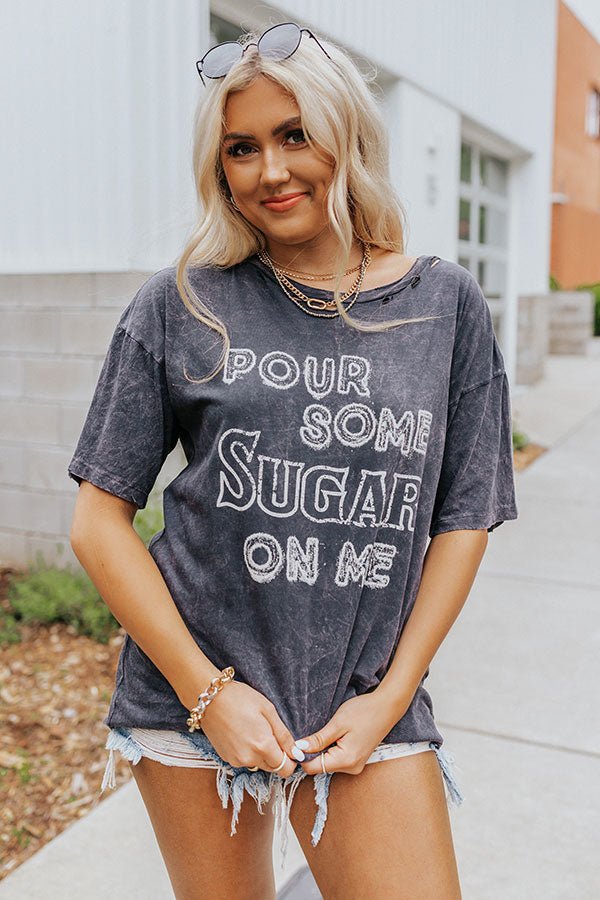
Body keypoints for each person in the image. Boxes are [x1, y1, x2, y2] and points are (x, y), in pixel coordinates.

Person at [68, 21, 518, 899]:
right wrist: (209, 695)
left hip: (364, 700)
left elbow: (464, 518)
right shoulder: (182, 303)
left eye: (295, 135)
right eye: (242, 148)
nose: (270, 170)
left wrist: (392, 698)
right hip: (197, 700)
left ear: (347, 135)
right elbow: (97, 520)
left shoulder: (444, 305)